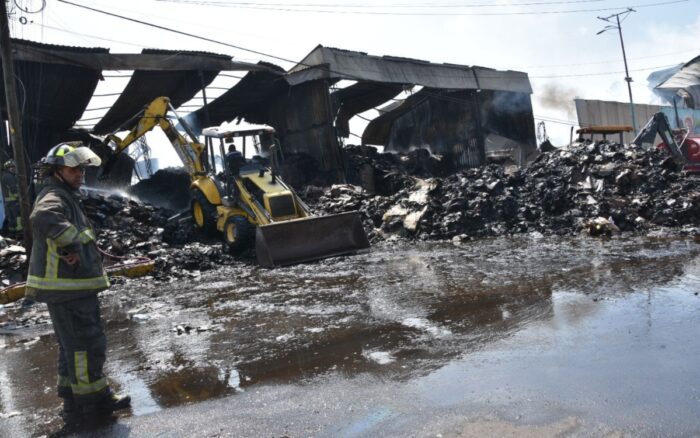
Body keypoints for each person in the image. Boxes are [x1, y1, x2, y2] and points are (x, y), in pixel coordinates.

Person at [25, 143, 130, 425]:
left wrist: (67, 247)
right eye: (74, 169)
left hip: (70, 288)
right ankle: (95, 405)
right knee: (87, 345)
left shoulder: (65, 195)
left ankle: (74, 404)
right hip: (69, 290)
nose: (80, 174)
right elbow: (42, 217)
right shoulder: (54, 196)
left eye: (81, 169)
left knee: (71, 347)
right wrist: (71, 241)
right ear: (58, 171)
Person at [1, 159, 22, 238]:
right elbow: (14, 189)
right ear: (7, 168)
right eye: (12, 167)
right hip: (14, 202)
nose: (14, 169)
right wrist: (20, 198)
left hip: (9, 202)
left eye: (14, 167)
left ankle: (12, 234)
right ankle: (19, 233)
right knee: (18, 217)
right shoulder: (9, 177)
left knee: (11, 219)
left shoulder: (5, 176)